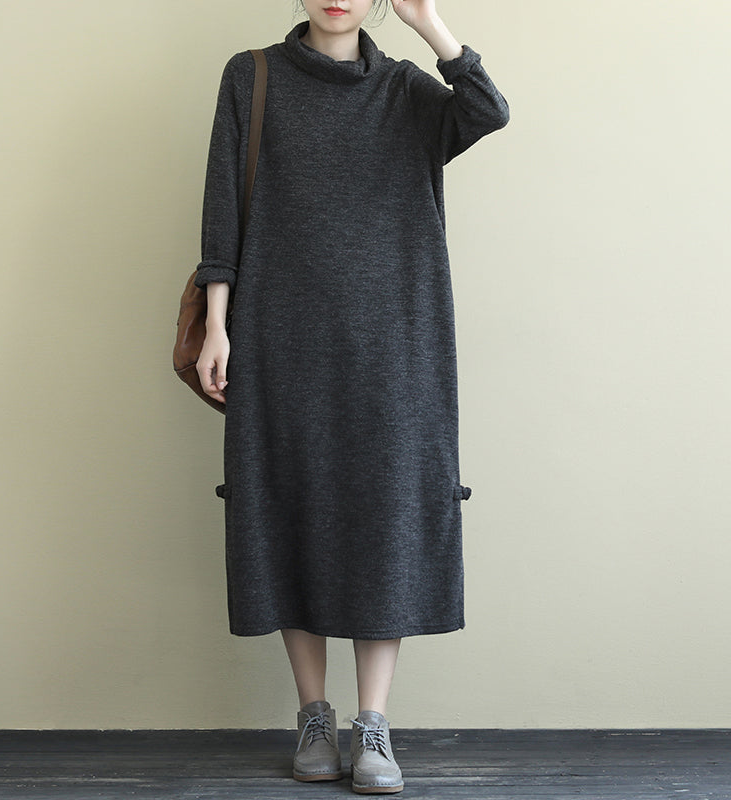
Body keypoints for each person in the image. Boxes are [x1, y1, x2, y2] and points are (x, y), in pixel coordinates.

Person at [191, 0, 509, 793]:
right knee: (288, 509)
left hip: (395, 345)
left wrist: (428, 22)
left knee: (382, 519)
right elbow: (222, 210)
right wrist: (217, 327)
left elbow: (487, 110)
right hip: (278, 338)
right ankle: (313, 715)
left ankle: (373, 724)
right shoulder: (252, 77)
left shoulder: (406, 90)